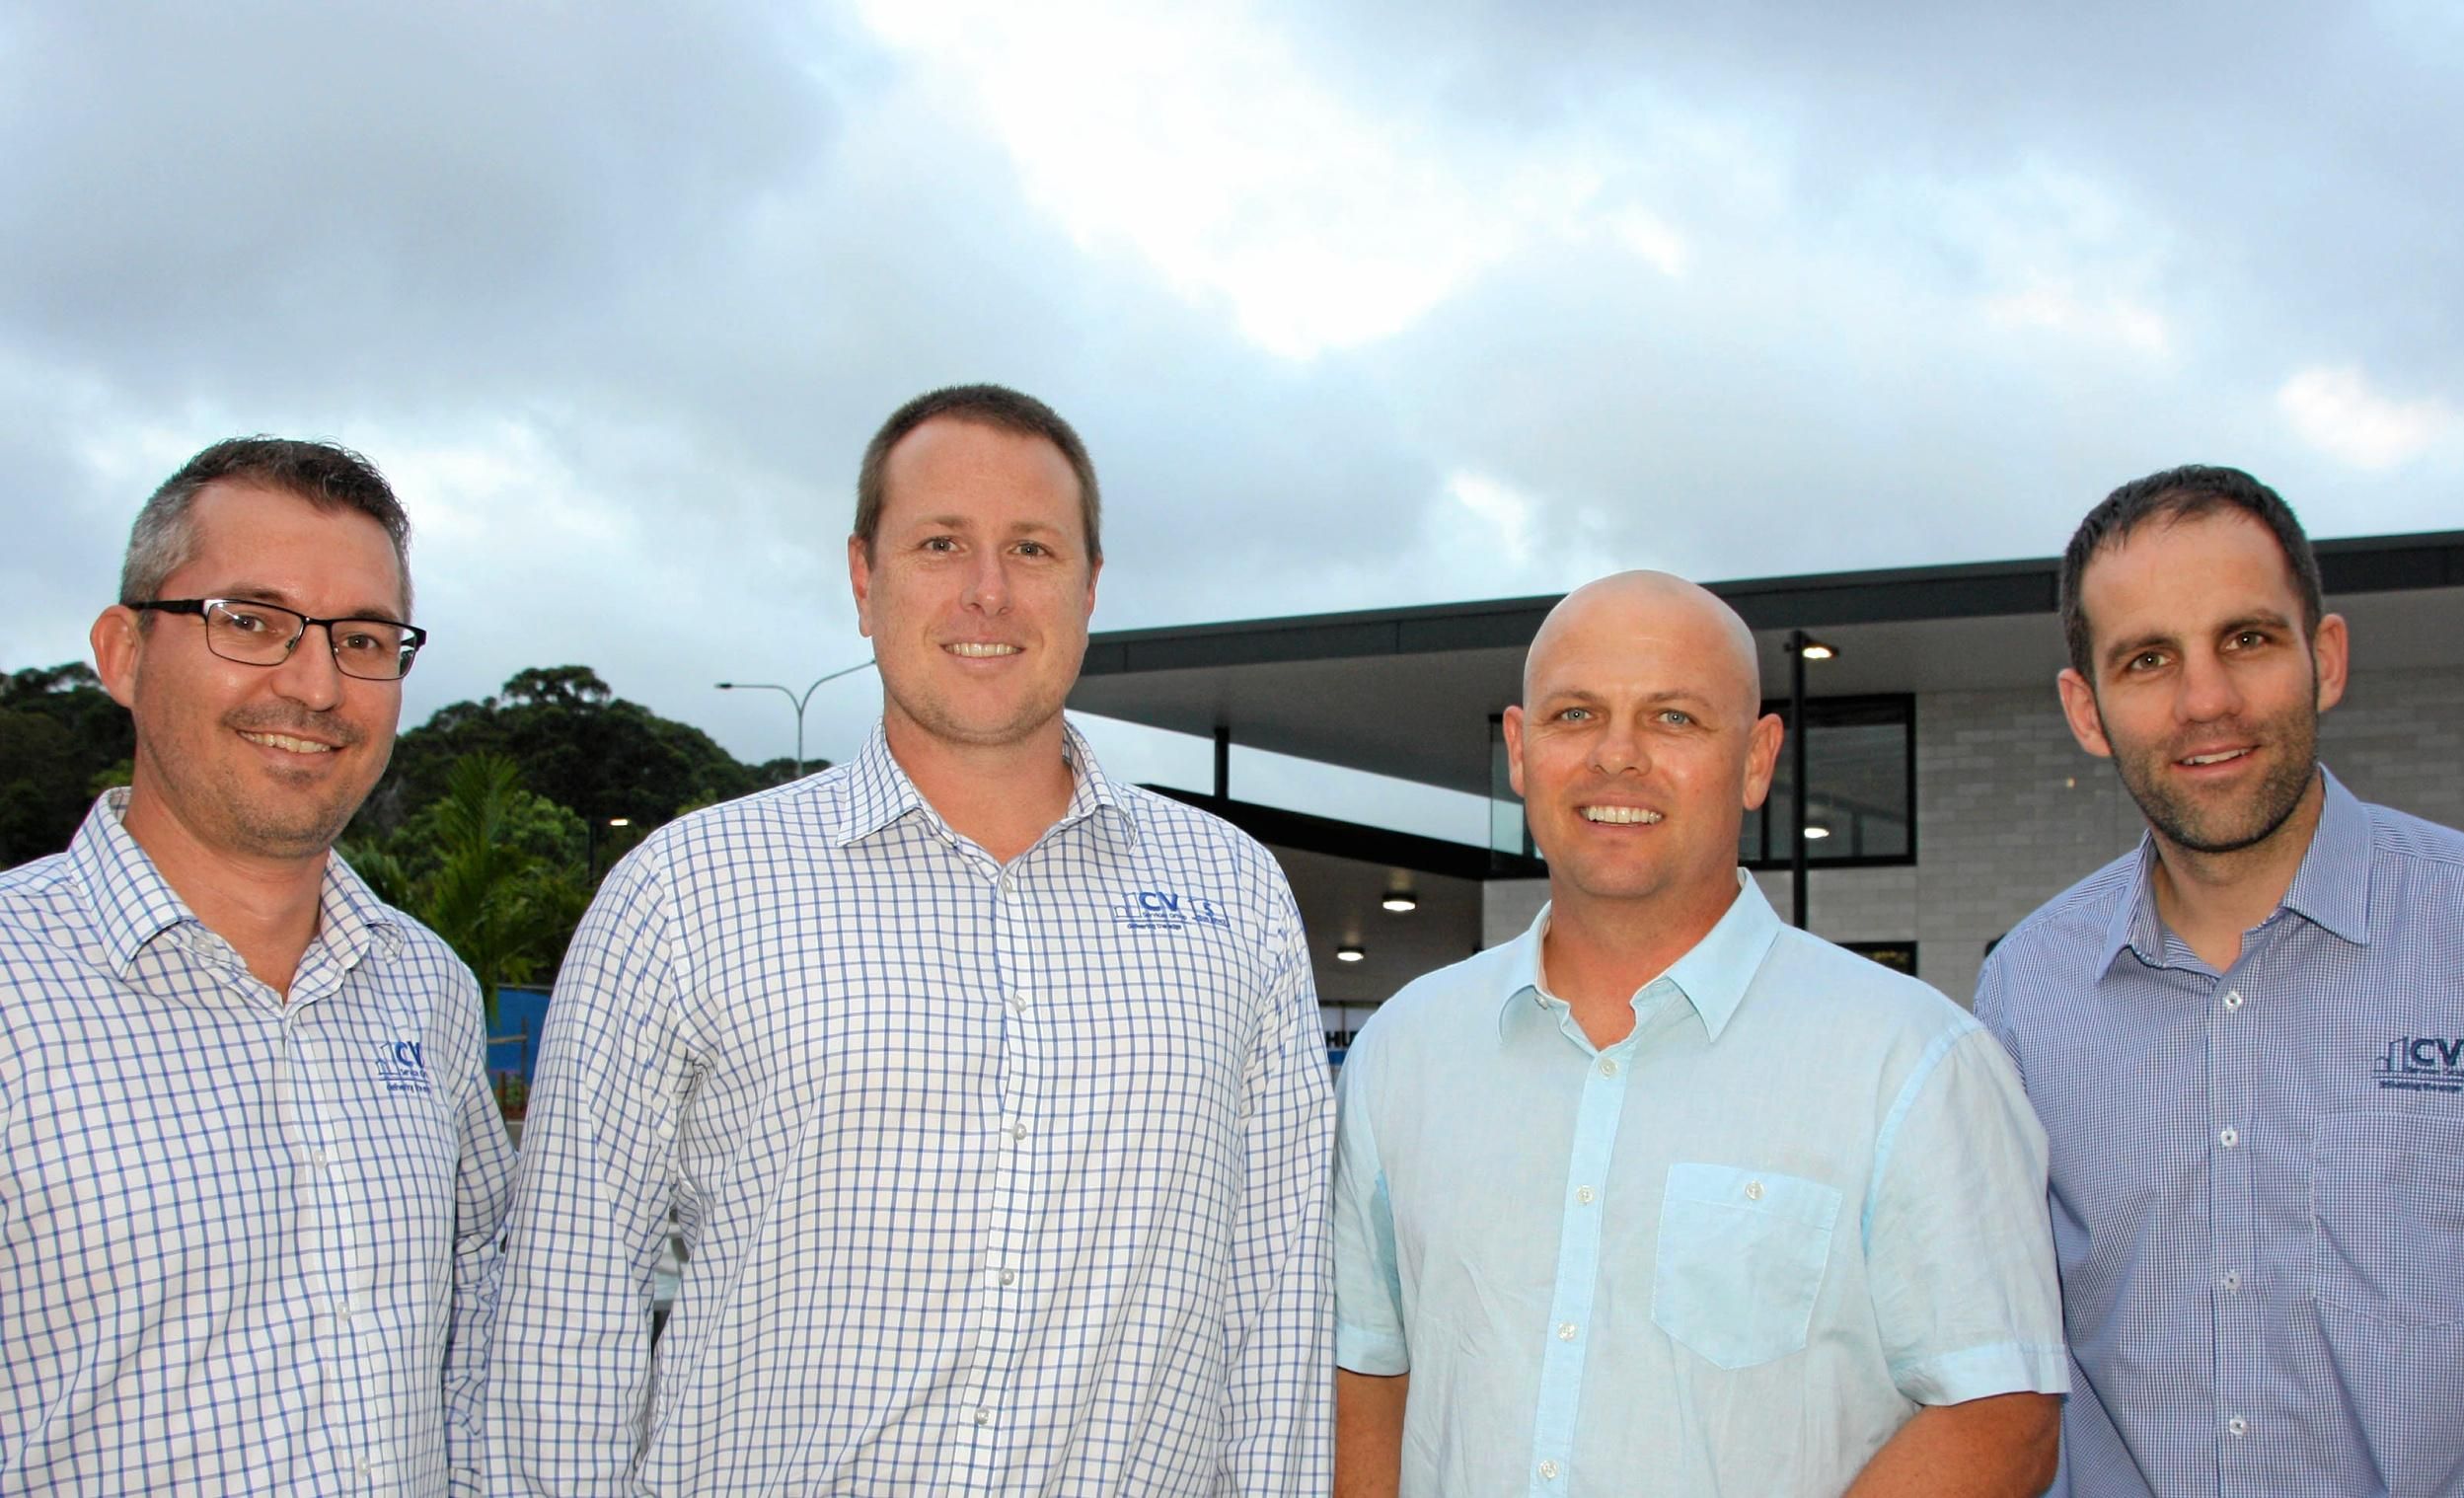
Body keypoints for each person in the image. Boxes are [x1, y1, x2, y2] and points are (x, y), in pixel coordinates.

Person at [489, 384, 1334, 1494]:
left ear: (1089, 588)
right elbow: (565, 1314)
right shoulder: (684, 896)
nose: (988, 592)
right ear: (862, 578)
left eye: (1031, 549)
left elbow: (1279, 1298)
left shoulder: (1235, 896)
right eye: (941, 543)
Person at [1333, 571, 2067, 1497]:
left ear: (1757, 760)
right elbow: (1366, 1374)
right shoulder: (1404, 1052)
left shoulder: (1913, 1063)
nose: (1617, 758)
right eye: (1574, 716)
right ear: (1519, 751)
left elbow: (1999, 1417)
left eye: (1673, 718)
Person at [0, 438, 514, 1493]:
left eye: (364, 638)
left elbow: (479, 1345)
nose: (317, 685)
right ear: (124, 651)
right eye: (251, 622)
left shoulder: (428, 989)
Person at [1977, 465, 2464, 1496]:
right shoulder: (2027, 990)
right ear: (2086, 708)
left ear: (2323, 658)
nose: (2206, 702)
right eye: (2148, 659)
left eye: (2246, 639)